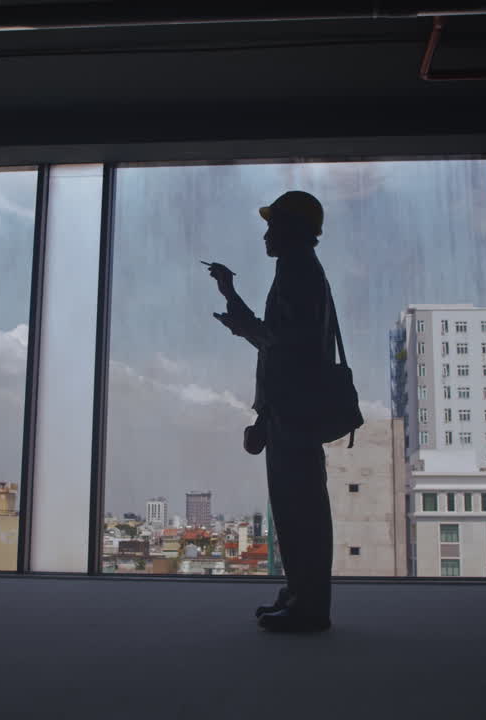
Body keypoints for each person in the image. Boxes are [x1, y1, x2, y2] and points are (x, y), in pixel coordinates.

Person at [206, 190, 336, 633]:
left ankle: (309, 604)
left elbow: (281, 344)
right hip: (289, 407)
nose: (266, 234)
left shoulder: (299, 272)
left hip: (293, 410)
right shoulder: (296, 270)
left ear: (292, 229)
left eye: (272, 224)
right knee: (295, 507)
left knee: (301, 509)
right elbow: (277, 340)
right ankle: (300, 594)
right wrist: (232, 295)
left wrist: (238, 314)